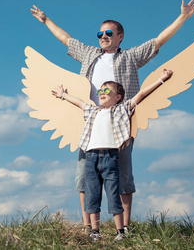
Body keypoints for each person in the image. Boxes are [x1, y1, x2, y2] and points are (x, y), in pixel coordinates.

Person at [31, 0, 194, 232]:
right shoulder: (90, 54)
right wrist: (46, 20)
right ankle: (89, 227)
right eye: (100, 33)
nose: (103, 36)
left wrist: (183, 17)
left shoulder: (130, 57)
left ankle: (125, 227)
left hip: (121, 125)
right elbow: (66, 39)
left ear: (120, 36)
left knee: (123, 175)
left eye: (108, 32)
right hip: (90, 123)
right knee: (84, 176)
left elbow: (158, 41)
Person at [51, 68, 173, 242]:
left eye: (107, 90)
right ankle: (95, 231)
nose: (102, 93)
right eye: (100, 90)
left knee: (113, 194)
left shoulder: (121, 110)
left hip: (110, 157)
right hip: (91, 157)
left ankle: (120, 232)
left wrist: (161, 80)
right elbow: (79, 102)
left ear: (118, 97)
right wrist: (63, 95)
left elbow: (140, 95)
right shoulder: (93, 111)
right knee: (92, 194)